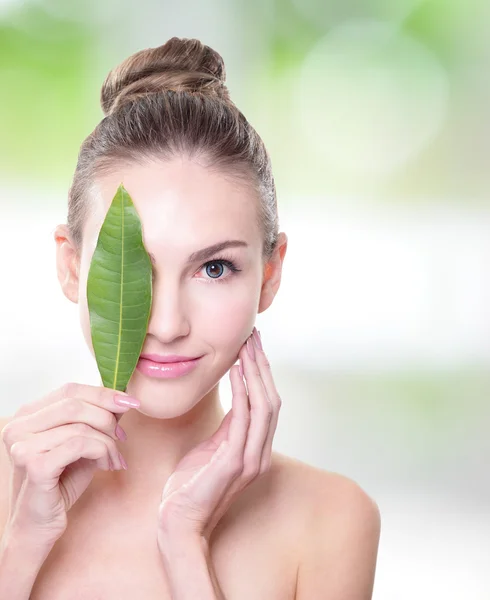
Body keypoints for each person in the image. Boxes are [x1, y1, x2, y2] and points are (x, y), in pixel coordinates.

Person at [0, 37, 381, 599]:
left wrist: (185, 543)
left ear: (270, 274)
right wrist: (24, 543)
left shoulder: (330, 521)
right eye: (133, 268)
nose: (168, 323)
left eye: (215, 268)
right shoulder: (11, 491)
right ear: (71, 266)